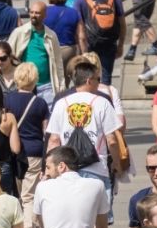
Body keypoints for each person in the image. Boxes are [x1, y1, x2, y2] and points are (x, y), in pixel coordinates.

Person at [46, 62, 123, 213]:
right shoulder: (102, 103)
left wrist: (49, 167)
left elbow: (54, 140)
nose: (99, 83)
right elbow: (112, 140)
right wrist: (117, 164)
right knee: (99, 219)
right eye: (98, 79)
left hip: (66, 169)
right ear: (89, 80)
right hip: (97, 168)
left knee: (72, 216)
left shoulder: (61, 103)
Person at [4, 63, 50, 228]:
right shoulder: (40, 103)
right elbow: (46, 131)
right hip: (34, 152)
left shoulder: (8, 100)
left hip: (13, 153)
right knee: (29, 196)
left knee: (16, 193)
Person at [73, 0, 127, 85]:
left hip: (90, 44)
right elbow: (123, 24)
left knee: (88, 79)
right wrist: (121, 45)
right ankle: (105, 101)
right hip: (110, 42)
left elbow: (80, 29)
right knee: (106, 78)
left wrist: (83, 51)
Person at [8, 1, 65, 109]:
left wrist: (61, 85)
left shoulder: (51, 35)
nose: (33, 15)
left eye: (37, 13)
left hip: (46, 87)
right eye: (32, 12)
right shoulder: (19, 32)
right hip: (24, 86)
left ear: (44, 15)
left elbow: (58, 62)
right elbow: (9, 56)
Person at [43, 0, 81, 78]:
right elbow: (81, 36)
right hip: (67, 51)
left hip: (48, 48)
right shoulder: (74, 13)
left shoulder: (44, 11)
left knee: (47, 80)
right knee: (64, 81)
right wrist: (83, 53)